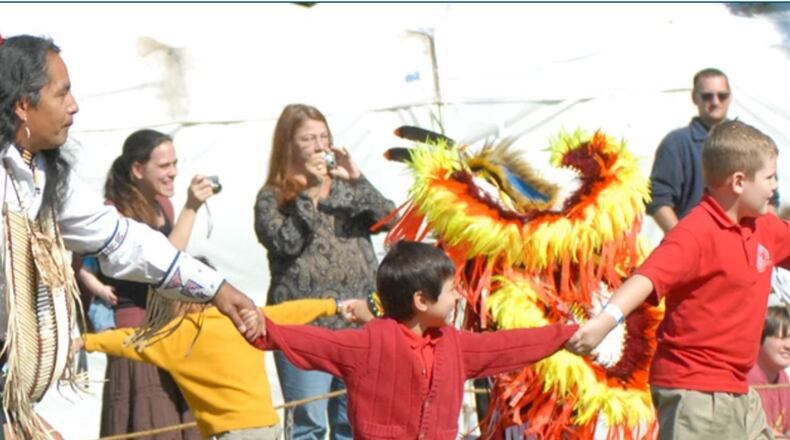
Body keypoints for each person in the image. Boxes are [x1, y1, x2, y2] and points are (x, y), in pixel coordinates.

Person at [0, 34, 262, 438]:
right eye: (62, 93)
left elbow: (123, 240)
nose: (74, 106)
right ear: (23, 105)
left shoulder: (43, 177)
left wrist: (216, 288)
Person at [566, 120, 788, 439]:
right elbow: (647, 278)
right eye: (770, 177)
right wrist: (605, 321)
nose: (774, 187)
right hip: (695, 392)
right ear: (739, 182)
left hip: (739, 392)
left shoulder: (763, 228)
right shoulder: (695, 232)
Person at [249, 240, 578, 440]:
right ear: (421, 300)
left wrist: (565, 334)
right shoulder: (368, 345)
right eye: (451, 290)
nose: (459, 296)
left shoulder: (455, 346)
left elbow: (507, 346)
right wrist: (264, 328)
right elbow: (315, 341)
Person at [253, 104, 395, 440]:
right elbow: (285, 243)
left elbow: (389, 220)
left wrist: (358, 178)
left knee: (354, 422)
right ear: (289, 144)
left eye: (324, 137)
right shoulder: (273, 196)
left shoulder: (346, 187)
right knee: (309, 424)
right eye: (308, 139)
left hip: (357, 321)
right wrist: (311, 193)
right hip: (305, 328)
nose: (319, 146)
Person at [81, 128, 217, 439]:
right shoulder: (112, 214)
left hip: (169, 328)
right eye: (164, 165)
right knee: (151, 423)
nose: (174, 172)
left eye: (175, 164)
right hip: (137, 334)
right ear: (138, 169)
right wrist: (191, 208)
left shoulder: (163, 207)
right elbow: (164, 266)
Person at [78, 293, 364, 440]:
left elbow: (127, 339)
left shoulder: (174, 336)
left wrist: (85, 341)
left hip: (230, 434)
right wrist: (335, 305)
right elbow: (291, 311)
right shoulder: (244, 320)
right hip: (267, 427)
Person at [646, 68, 778, 234]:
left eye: (722, 95)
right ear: (695, 97)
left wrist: (763, 239)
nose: (715, 102)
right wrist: (685, 240)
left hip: (744, 243)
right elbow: (657, 198)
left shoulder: (750, 141)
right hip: (698, 241)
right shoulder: (676, 143)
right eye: (707, 96)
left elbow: (771, 199)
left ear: (730, 96)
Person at [748, 306, 790, 439]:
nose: (788, 345)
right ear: (759, 338)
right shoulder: (746, 380)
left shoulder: (783, 378)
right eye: (780, 337)